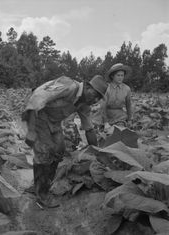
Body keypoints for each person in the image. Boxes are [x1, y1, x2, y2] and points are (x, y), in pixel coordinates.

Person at [22, 75, 107, 208]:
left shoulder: (84, 104)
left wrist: (98, 153)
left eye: (99, 98)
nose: (96, 100)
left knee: (59, 151)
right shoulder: (68, 86)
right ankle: (41, 196)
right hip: (37, 115)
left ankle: (41, 185)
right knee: (45, 153)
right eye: (95, 95)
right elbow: (36, 98)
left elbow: (89, 129)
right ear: (88, 87)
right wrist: (31, 130)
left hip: (53, 122)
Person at [102, 63, 132, 129]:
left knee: (120, 130)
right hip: (106, 114)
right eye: (118, 75)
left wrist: (129, 120)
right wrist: (105, 122)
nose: (120, 77)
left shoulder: (127, 89)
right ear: (112, 76)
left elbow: (128, 105)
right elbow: (103, 107)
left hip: (120, 115)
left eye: (122, 75)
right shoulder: (107, 88)